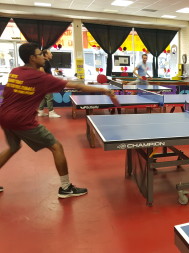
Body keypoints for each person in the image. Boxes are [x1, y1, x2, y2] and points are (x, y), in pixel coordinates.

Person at [0, 42, 116, 198]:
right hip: (20, 120)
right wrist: (104, 90)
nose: (44, 56)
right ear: (32, 58)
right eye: (40, 54)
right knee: (56, 147)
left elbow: (8, 93)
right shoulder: (39, 77)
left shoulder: (15, 71)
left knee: (13, 147)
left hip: (4, 116)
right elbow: (77, 86)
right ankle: (66, 187)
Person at [37, 49, 60, 118]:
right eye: (50, 53)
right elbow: (41, 70)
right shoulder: (46, 62)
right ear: (46, 55)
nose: (51, 54)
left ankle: (40, 111)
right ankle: (51, 112)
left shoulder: (43, 62)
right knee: (49, 97)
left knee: (43, 97)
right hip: (46, 83)